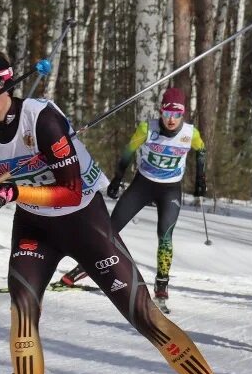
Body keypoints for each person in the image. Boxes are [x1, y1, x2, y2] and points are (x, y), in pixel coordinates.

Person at [0, 48, 252, 374]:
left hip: (83, 221)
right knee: (22, 309)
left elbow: (69, 192)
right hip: (35, 226)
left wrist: (13, 190)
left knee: (145, 316)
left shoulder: (44, 120)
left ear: (8, 84)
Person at [55, 87, 207, 312]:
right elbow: (127, 153)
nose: (171, 120)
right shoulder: (148, 128)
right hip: (143, 185)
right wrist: (117, 179)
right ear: (160, 112)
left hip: (170, 190)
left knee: (165, 235)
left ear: (183, 115)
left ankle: (162, 285)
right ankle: (84, 268)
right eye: (167, 114)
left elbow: (201, 150)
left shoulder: (190, 133)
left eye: (177, 115)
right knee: (110, 228)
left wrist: (200, 179)